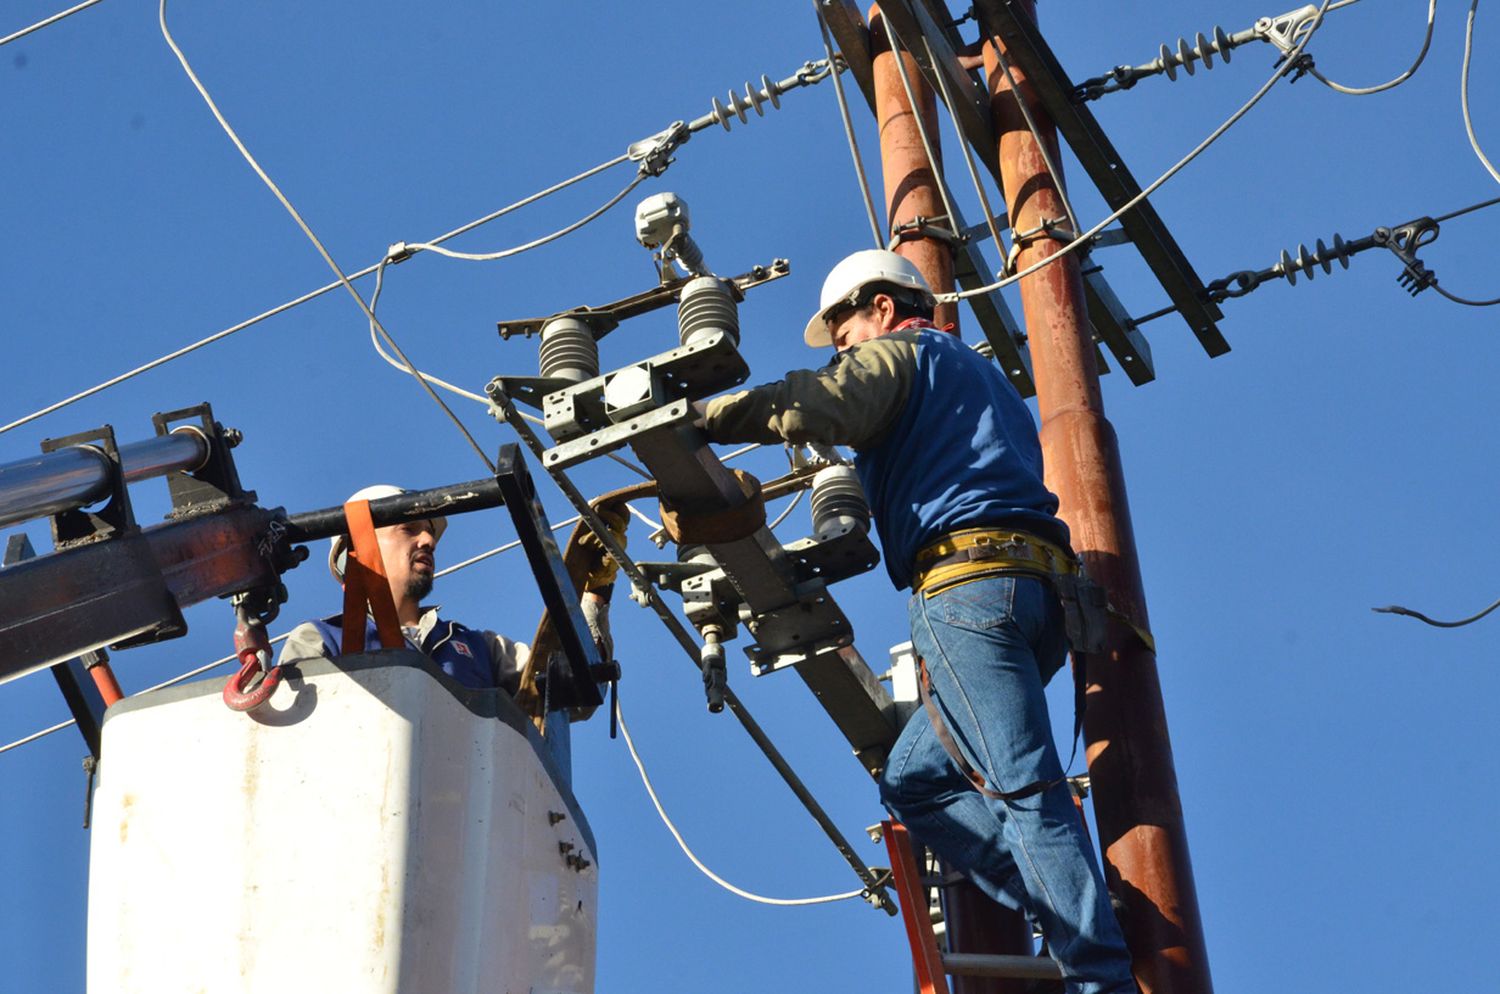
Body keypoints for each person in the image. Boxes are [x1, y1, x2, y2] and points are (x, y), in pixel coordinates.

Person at [699, 250, 1137, 994]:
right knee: (914, 781)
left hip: (970, 596)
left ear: (882, 306)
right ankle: (1068, 902)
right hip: (1034, 602)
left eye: (843, 327)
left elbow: (817, 405)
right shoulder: (978, 375)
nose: (840, 343)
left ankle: (1101, 977)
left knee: (1024, 791)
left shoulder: (905, 353)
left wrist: (705, 415)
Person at [277, 484, 615, 697]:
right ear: (359, 551)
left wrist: (594, 591)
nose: (428, 541)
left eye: (429, 533)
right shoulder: (320, 639)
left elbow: (572, 689)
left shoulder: (483, 648)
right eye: (409, 529)